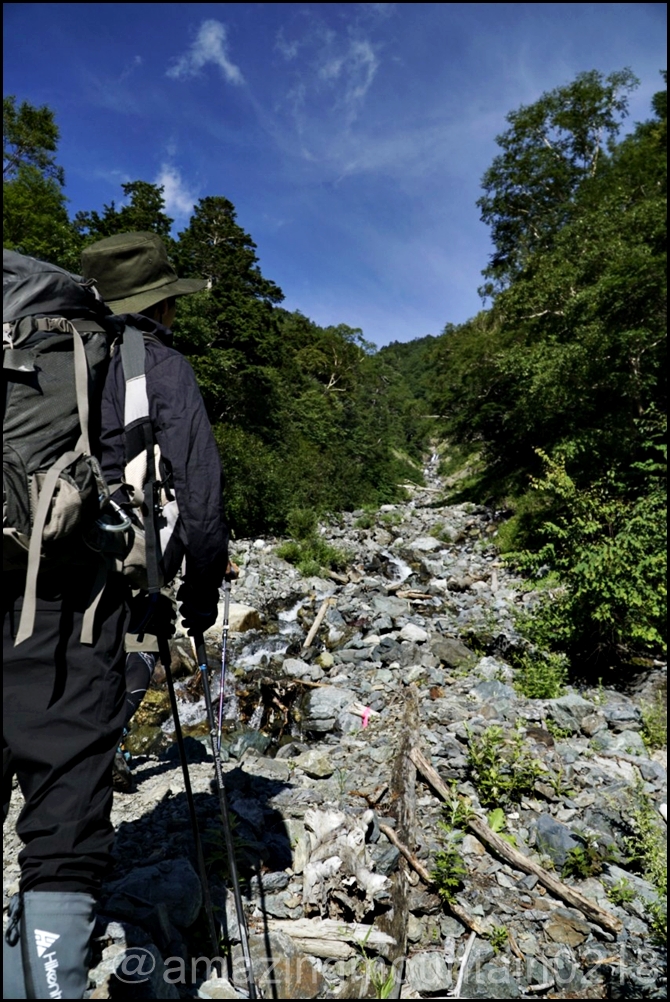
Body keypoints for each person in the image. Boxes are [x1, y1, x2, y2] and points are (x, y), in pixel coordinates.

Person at [3, 231, 229, 998]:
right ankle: (43, 972)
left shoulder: (31, 350)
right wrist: (198, 600)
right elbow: (200, 501)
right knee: (64, 799)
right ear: (157, 301)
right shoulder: (156, 365)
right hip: (77, 602)